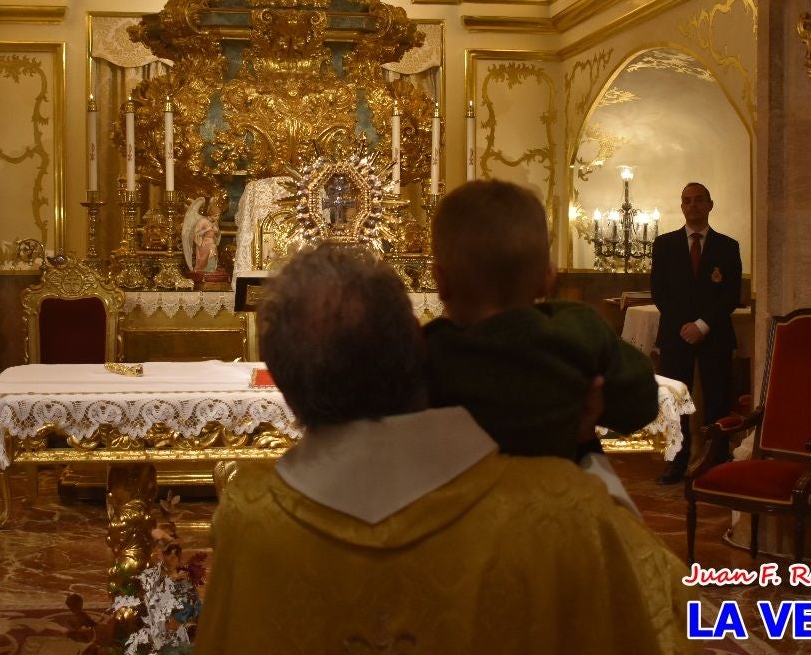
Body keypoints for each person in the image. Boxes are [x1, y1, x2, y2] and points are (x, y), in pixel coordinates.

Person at [194, 244, 696, 654]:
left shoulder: (248, 519)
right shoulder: (560, 505)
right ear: (417, 342)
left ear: (278, 377)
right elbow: (661, 614)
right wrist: (586, 448)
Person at [423, 179, 657, 515]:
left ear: (440, 280)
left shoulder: (431, 350)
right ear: (548, 278)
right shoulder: (579, 329)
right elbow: (642, 400)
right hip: (562, 512)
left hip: (458, 516)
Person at [650, 181, 742, 485]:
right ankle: (677, 460)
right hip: (676, 336)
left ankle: (716, 460)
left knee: (717, 399)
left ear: (710, 205)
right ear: (682, 207)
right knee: (676, 402)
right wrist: (684, 326)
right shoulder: (664, 245)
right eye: (687, 201)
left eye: (698, 200)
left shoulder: (728, 246)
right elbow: (660, 293)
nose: (692, 205)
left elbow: (731, 295)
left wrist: (702, 325)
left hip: (714, 335)